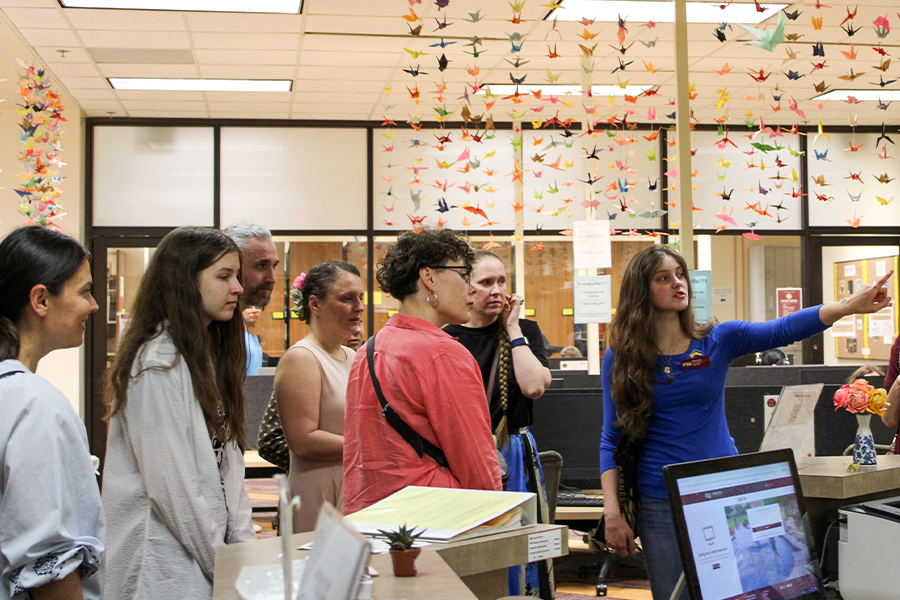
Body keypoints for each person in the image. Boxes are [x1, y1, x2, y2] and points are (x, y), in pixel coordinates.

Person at [600, 245, 892, 600]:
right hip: (659, 500)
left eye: (680, 274)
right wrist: (613, 513)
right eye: (663, 278)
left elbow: (783, 329)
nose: (678, 284)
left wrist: (847, 307)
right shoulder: (623, 356)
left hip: (726, 490)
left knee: (737, 592)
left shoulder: (715, 341)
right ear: (641, 290)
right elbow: (610, 438)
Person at [102, 227, 256, 600]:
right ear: (185, 281)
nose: (237, 287)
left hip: (207, 560)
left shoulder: (205, 355)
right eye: (223, 276)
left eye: (236, 276)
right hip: (160, 567)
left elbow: (228, 469)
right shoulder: (157, 362)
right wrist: (226, 568)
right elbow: (174, 490)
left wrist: (244, 554)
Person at [343, 228, 502, 514]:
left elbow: (357, 455)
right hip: (434, 518)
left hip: (371, 518)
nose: (472, 288)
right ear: (428, 277)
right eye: (463, 274)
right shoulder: (444, 354)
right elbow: (477, 465)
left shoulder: (368, 349)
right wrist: (495, 520)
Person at [0, 226, 106, 600]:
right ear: (41, 299)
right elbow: (48, 566)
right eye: (85, 291)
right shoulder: (34, 404)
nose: (94, 306)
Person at [444, 251, 554, 599]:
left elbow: (534, 386)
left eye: (502, 282)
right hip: (464, 455)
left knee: (519, 544)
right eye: (486, 282)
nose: (496, 290)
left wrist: (513, 327)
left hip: (514, 455)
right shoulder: (448, 336)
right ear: (467, 289)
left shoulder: (525, 331)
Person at [275, 261, 364, 532]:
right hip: (318, 491)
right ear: (315, 304)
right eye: (347, 299)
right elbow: (302, 440)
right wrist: (366, 446)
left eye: (360, 298)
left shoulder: (352, 356)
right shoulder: (301, 358)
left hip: (350, 484)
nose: (359, 307)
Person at [257, 322, 364, 474]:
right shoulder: (303, 365)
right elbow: (270, 442)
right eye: (348, 322)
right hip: (318, 482)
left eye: (359, 323)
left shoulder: (361, 363)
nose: (356, 330)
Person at [223, 222, 280, 311]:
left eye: (274, 266)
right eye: (261, 266)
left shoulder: (234, 322)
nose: (272, 279)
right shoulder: (202, 322)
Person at [243, 305, 264, 375]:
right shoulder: (238, 338)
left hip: (256, 384)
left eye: (257, 307)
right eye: (248, 307)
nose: (254, 311)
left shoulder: (255, 338)